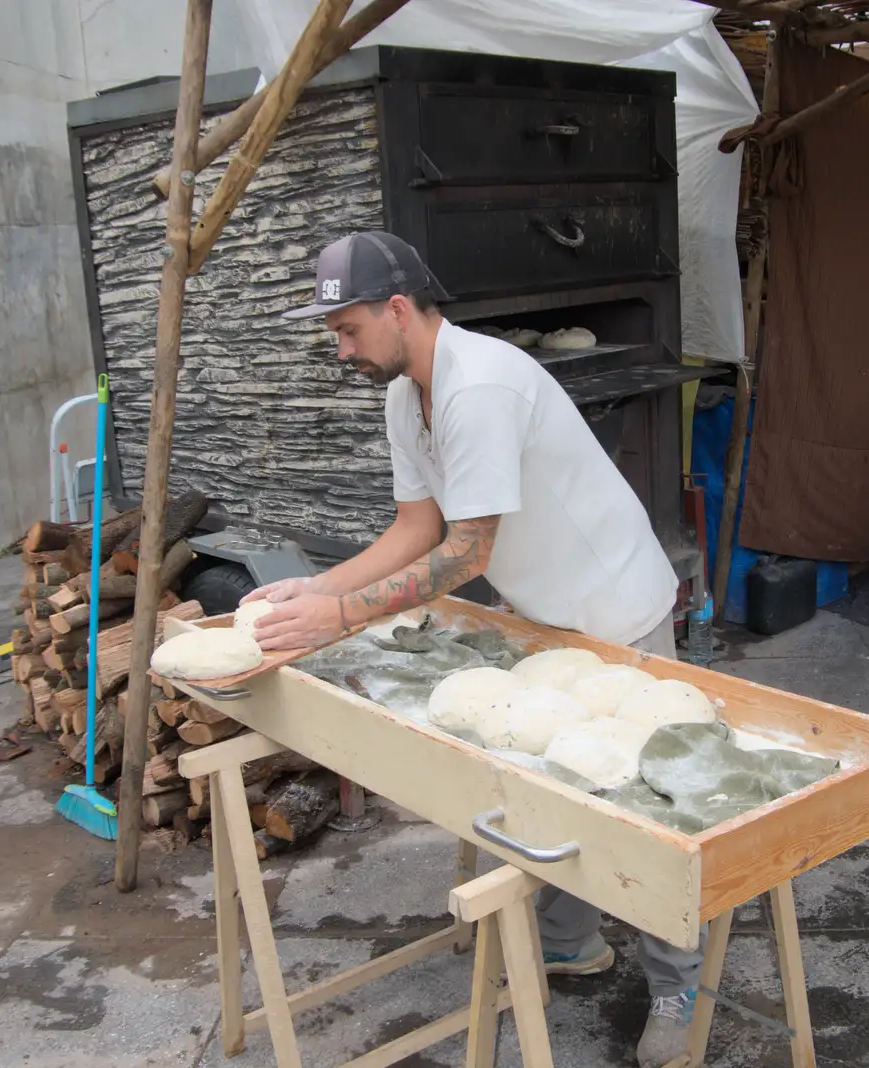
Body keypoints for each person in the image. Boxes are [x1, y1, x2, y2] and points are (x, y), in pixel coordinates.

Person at [242, 230, 701, 1068]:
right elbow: (416, 529)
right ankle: (570, 944)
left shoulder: (479, 385)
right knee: (543, 781)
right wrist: (318, 590)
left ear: (397, 309)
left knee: (648, 810)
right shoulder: (401, 396)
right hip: (545, 611)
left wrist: (336, 620)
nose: (341, 350)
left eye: (348, 330)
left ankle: (677, 984)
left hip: (615, 604)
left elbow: (465, 556)